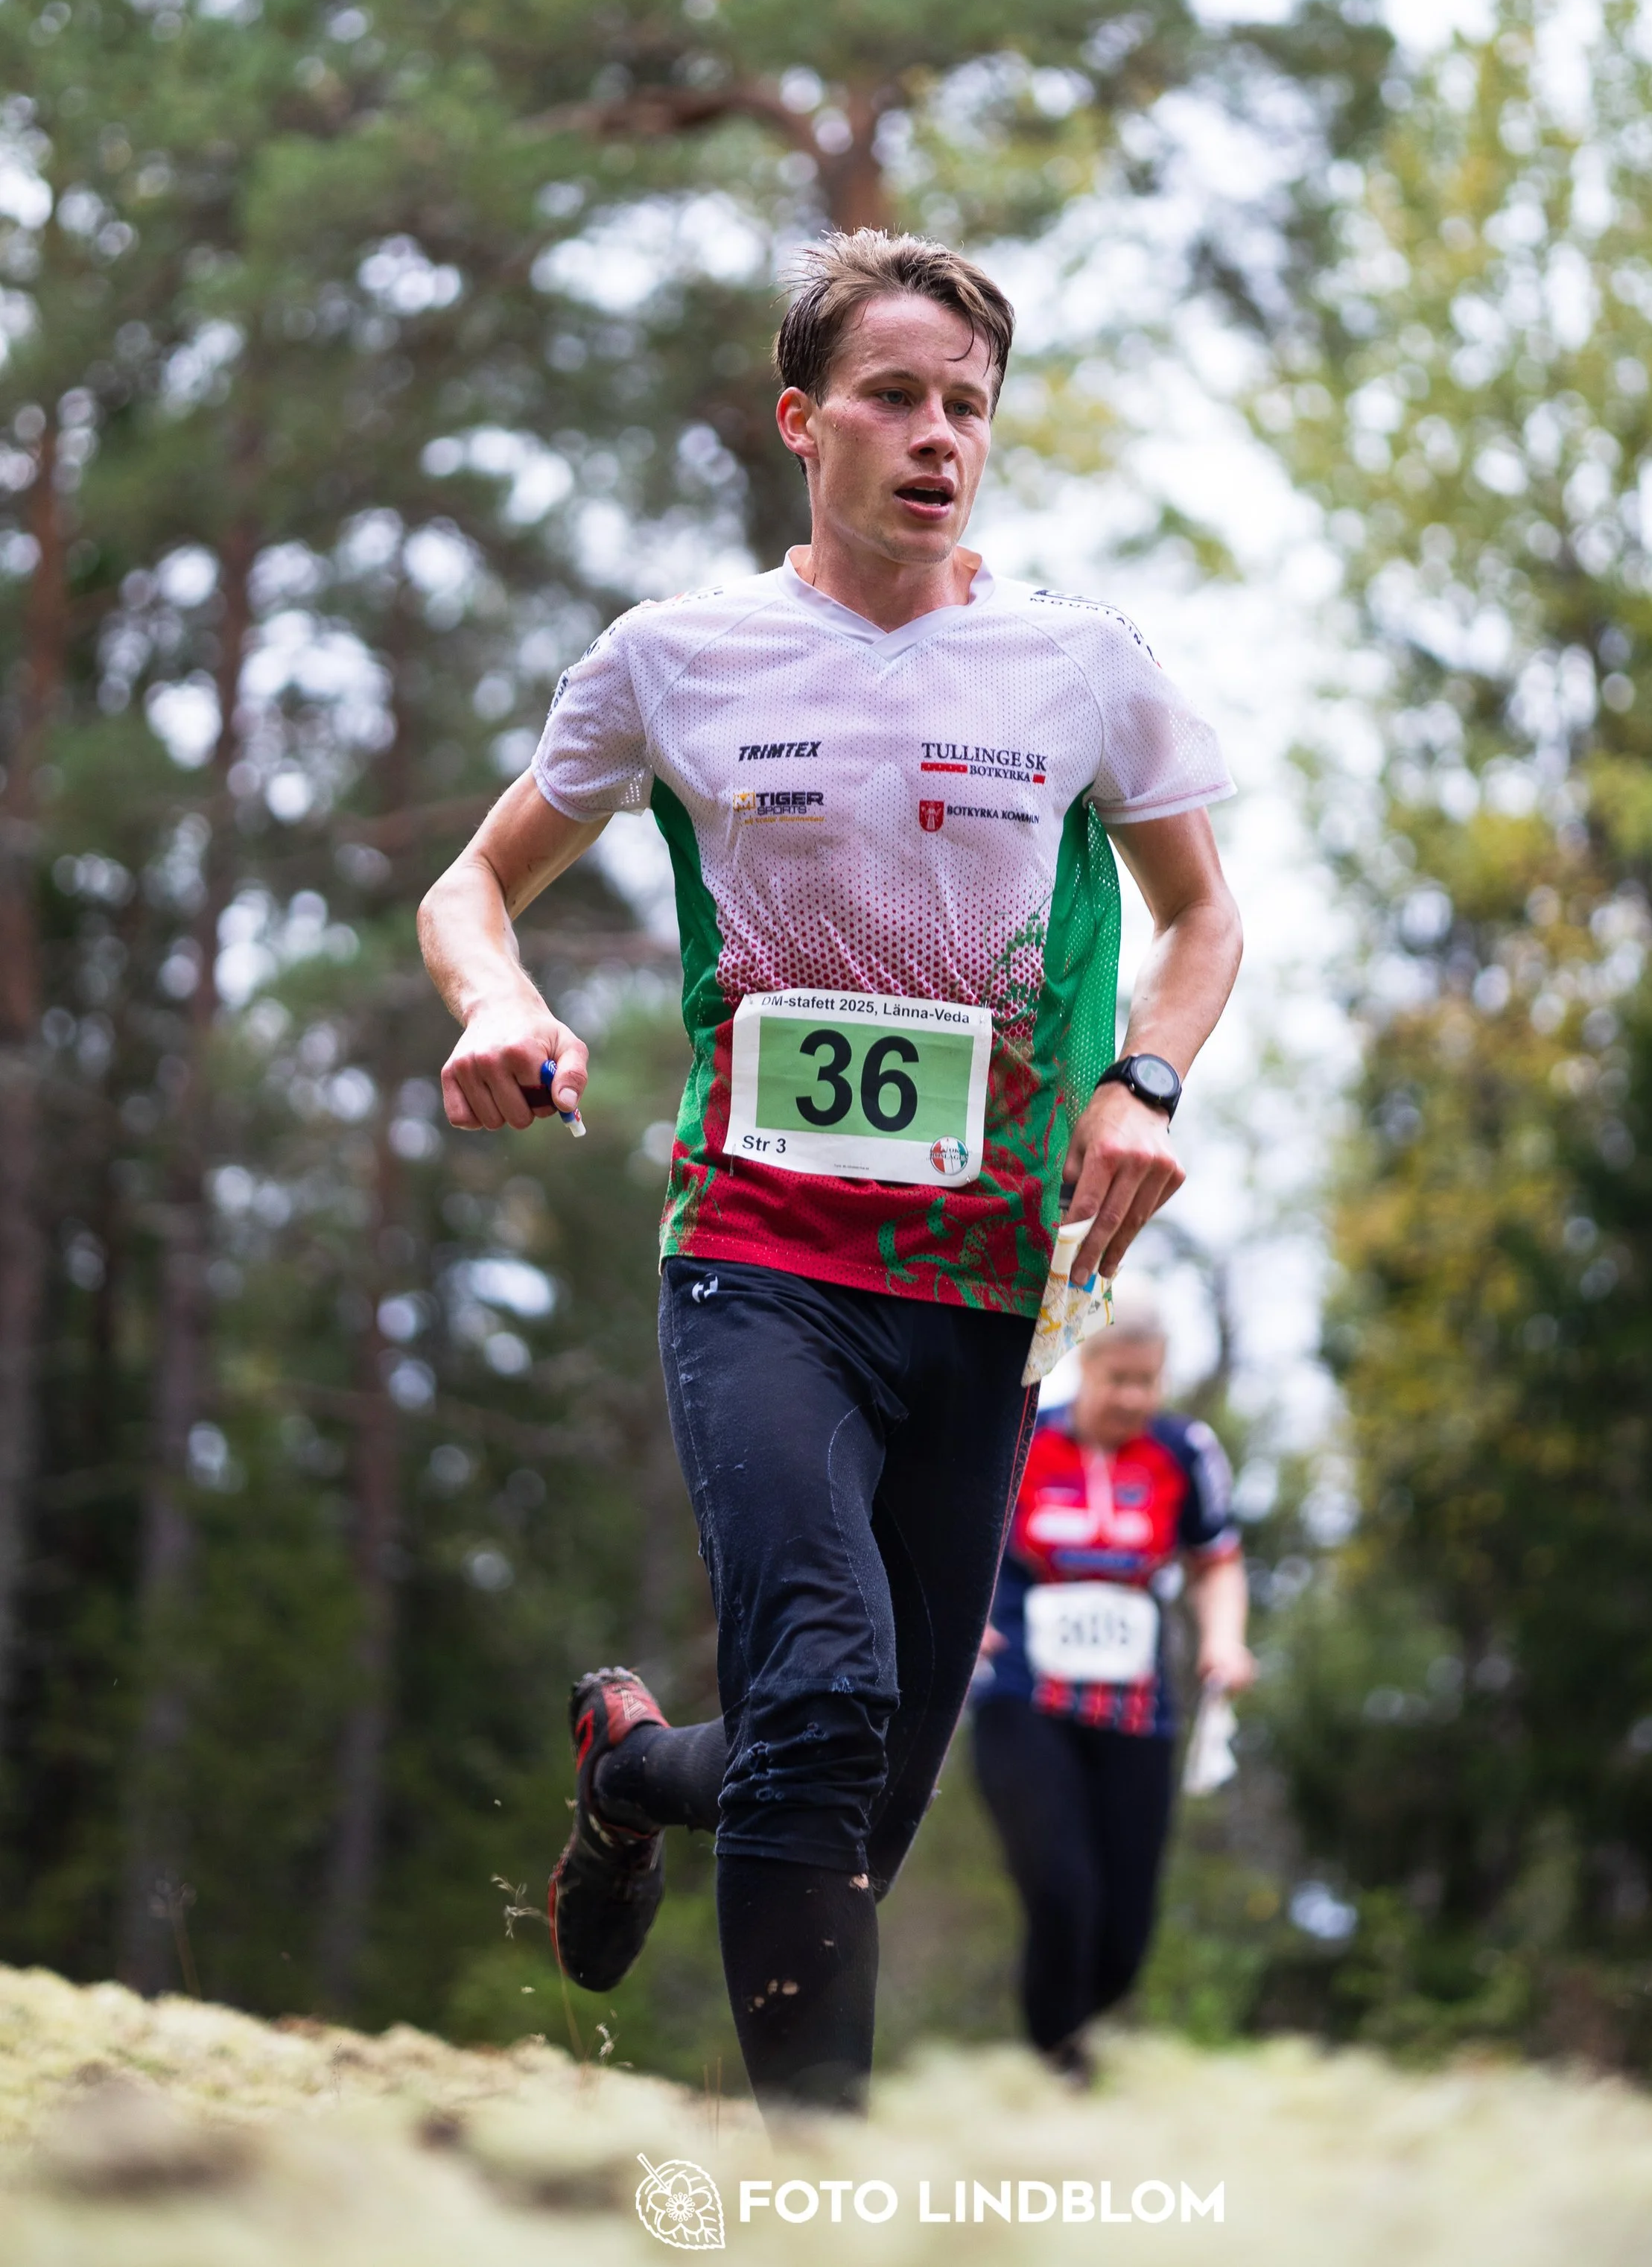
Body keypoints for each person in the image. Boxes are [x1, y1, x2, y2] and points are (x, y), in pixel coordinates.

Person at [416, 228, 1243, 2114]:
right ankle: (817, 2197)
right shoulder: (677, 658)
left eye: (968, 404)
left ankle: (633, 1778)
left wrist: (1146, 1084)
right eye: (893, 395)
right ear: (804, 420)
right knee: (826, 1689)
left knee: (849, 1781)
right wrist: (494, 1002)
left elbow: (1207, 923)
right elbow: (471, 883)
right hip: (760, 1258)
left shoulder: (1083, 670)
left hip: (990, 1287)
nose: (937, 434)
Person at [970, 1288, 1254, 2081]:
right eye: (1117, 1377)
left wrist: (1224, 1641)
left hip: (1135, 1709)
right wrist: (957, 1617)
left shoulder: (1183, 1449)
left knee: (1124, 1935)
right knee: (1062, 1892)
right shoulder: (1023, 1437)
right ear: (1084, 1366)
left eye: (1147, 1380)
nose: (1131, 1396)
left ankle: (1061, 2053)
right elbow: (950, 1532)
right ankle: (1052, 2071)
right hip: (1023, 1695)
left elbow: (1215, 1561)